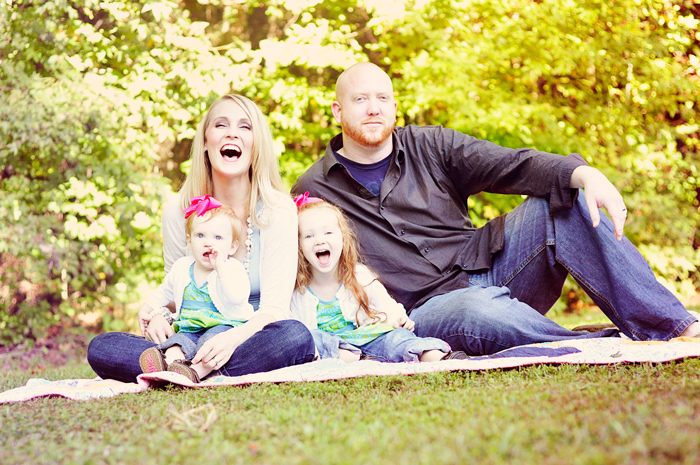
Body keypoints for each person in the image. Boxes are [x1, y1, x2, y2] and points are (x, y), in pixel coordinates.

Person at [292, 62, 700, 356]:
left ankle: (675, 325)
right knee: (476, 309)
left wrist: (584, 173)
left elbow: (511, 164)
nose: (373, 108)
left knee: (564, 198)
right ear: (338, 110)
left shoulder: (431, 145)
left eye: (382, 98)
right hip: (427, 308)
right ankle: (588, 343)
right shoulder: (313, 190)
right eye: (360, 99)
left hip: (489, 265)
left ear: (395, 106)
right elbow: (298, 268)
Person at [88, 94, 316, 383]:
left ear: (256, 144)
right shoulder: (178, 210)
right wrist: (158, 317)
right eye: (221, 125)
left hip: (252, 337)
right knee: (102, 347)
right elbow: (175, 294)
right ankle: (191, 368)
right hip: (191, 335)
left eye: (245, 126)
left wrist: (231, 340)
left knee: (294, 336)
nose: (232, 133)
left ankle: (192, 371)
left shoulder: (277, 210)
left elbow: (275, 310)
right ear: (206, 142)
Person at [290, 193, 465, 362]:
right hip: (337, 351)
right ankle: (357, 360)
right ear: (299, 246)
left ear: (343, 239)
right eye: (309, 236)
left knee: (395, 338)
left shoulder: (358, 275)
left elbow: (385, 303)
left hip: (368, 339)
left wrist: (398, 318)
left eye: (328, 233)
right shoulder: (296, 289)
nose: (320, 241)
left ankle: (434, 356)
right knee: (312, 339)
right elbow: (294, 331)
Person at [138, 196, 255, 383]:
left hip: (222, 328)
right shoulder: (182, 267)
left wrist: (221, 270)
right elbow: (164, 291)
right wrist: (146, 308)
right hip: (188, 327)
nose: (208, 243)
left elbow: (237, 297)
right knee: (176, 344)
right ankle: (168, 367)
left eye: (218, 238)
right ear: (189, 241)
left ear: (232, 246)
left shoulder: (232, 268)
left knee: (210, 346)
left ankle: (194, 372)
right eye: (200, 236)